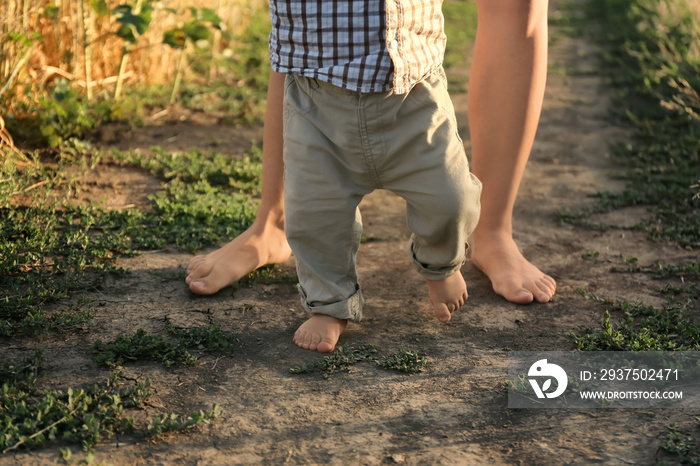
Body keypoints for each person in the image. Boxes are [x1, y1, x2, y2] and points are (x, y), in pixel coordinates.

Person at [186, 0, 557, 351]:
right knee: (317, 213)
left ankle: (458, 252)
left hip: (416, 96)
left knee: (453, 198)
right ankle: (328, 302)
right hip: (318, 99)